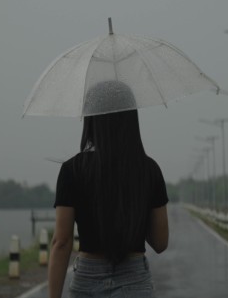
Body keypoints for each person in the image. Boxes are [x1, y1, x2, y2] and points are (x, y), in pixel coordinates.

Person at [48, 81, 169, 298]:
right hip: (135, 281)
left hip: (87, 280)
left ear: (91, 119)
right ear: (131, 118)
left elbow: (61, 241)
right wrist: (134, 215)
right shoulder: (148, 169)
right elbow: (160, 242)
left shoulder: (72, 170)